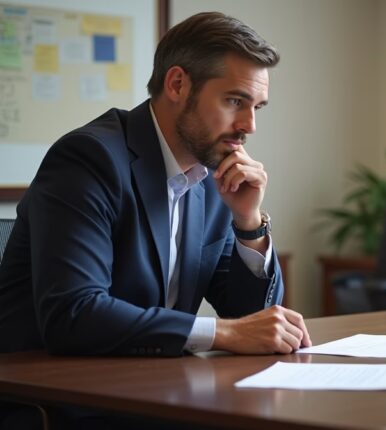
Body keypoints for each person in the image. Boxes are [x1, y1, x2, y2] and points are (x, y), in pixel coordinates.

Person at [0, 11, 311, 357]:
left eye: (257, 107)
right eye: (234, 101)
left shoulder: (211, 178)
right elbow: (74, 313)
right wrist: (221, 333)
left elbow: (250, 322)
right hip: (57, 399)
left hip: (155, 388)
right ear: (177, 84)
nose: (249, 125)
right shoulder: (88, 159)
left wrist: (249, 223)